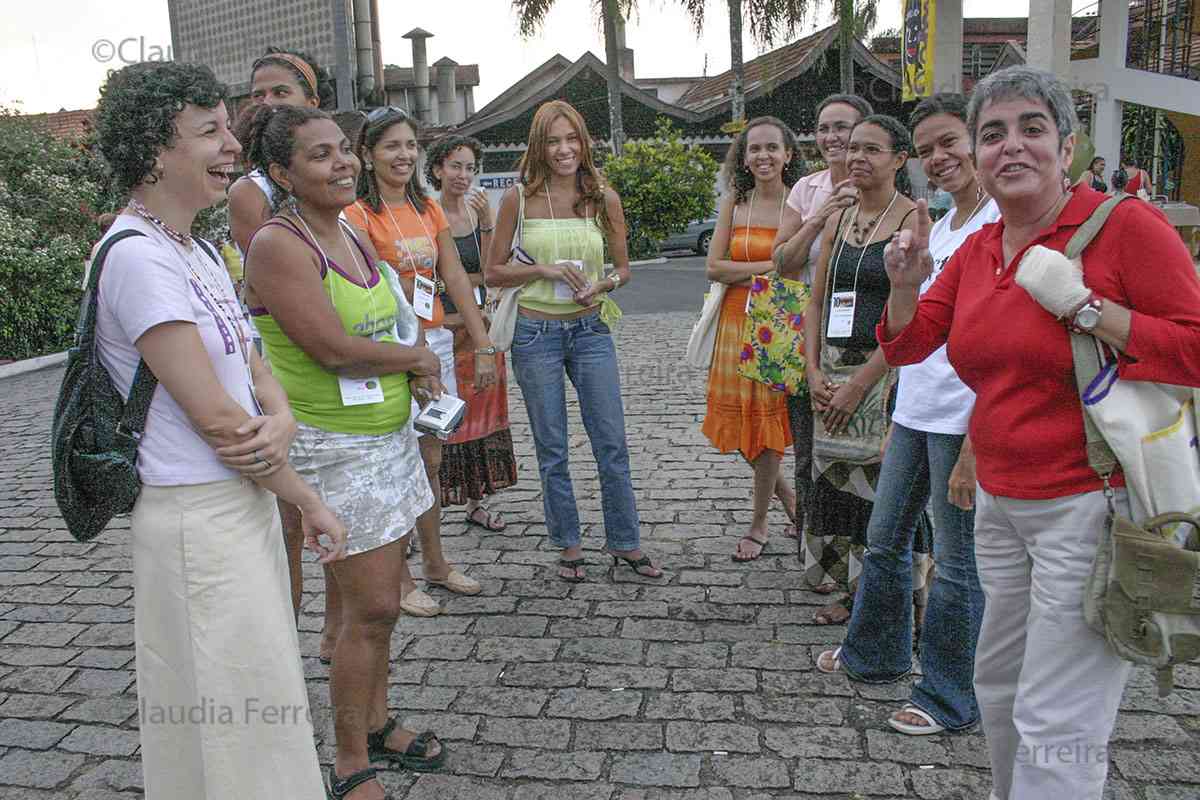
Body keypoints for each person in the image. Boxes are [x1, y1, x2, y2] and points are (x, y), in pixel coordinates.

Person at [880, 65, 1200, 798]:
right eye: (992, 133)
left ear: (1068, 143)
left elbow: (1194, 346)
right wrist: (904, 282)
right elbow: (906, 346)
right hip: (999, 504)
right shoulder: (981, 249)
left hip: (1090, 506)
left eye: (1032, 128)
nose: (1011, 147)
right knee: (997, 687)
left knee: (1058, 715)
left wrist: (1085, 307)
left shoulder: (1123, 227)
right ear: (977, 152)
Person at [92, 61, 346, 799]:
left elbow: (253, 364)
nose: (231, 145)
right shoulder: (137, 258)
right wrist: (308, 499)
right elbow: (222, 423)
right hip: (194, 517)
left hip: (237, 507)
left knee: (246, 703)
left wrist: (287, 416)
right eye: (208, 132)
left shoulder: (197, 248)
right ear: (152, 151)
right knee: (234, 714)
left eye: (226, 128)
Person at [241, 103, 448, 799]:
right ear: (280, 173)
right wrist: (414, 357)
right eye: (320, 155)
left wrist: (417, 374)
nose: (343, 163)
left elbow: (386, 321)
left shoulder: (350, 231)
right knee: (371, 611)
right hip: (335, 452)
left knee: (382, 604)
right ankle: (350, 759)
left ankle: (380, 721)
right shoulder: (279, 244)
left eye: (342, 150)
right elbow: (329, 349)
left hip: (385, 443)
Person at [816, 94, 993, 738]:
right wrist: (898, 408)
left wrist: (977, 440)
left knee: (956, 563)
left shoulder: (998, 226)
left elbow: (997, 345)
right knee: (886, 538)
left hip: (964, 420)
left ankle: (950, 695)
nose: (940, 158)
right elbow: (914, 334)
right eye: (928, 149)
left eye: (951, 142)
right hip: (917, 410)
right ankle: (876, 656)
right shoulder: (940, 227)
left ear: (977, 142)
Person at [484, 100, 661, 582]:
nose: (564, 150)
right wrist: (541, 269)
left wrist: (603, 284)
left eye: (572, 139)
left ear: (584, 142)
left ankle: (625, 542)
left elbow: (622, 269)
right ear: (538, 146)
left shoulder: (603, 197)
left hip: (590, 329)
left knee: (611, 441)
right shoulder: (518, 200)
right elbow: (493, 271)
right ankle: (568, 543)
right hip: (535, 332)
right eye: (553, 141)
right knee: (553, 446)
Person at [345, 106, 496, 614]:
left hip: (433, 349)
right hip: (388, 354)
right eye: (391, 146)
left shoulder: (428, 210)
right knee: (396, 460)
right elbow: (369, 293)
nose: (404, 155)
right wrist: (406, 359)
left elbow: (453, 278)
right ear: (368, 156)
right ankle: (400, 578)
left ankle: (435, 560)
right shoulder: (356, 217)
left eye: (410, 145)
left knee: (432, 457)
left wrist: (483, 341)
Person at [791, 114, 920, 626]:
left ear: (900, 159)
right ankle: (851, 589)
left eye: (872, 150)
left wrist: (861, 383)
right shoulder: (841, 217)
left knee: (880, 486)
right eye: (853, 149)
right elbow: (816, 300)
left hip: (884, 371)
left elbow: (910, 318)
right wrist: (812, 368)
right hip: (831, 368)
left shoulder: (912, 219)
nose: (857, 158)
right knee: (836, 485)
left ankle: (890, 593)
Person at [228, 46, 336, 622]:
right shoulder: (251, 192)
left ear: (311, 103)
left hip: (337, 348)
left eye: (281, 93)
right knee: (291, 514)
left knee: (336, 503)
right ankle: (287, 636)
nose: (266, 103)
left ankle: (333, 633)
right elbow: (275, 289)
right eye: (258, 94)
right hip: (287, 356)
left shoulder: (332, 176)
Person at [772, 95, 871, 551]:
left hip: (865, 337)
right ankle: (814, 551)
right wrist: (820, 216)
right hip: (807, 333)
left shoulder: (888, 191)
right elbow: (782, 262)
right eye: (824, 127)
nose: (833, 138)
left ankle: (859, 548)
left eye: (843, 128)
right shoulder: (805, 190)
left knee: (861, 448)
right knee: (809, 447)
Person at [702, 116, 801, 561]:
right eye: (754, 149)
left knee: (767, 426)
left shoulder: (800, 205)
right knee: (742, 426)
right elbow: (714, 267)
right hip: (734, 322)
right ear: (743, 158)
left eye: (771, 148)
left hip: (777, 323)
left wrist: (767, 271)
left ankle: (759, 522)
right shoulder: (734, 205)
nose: (763, 156)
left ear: (788, 154)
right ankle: (793, 502)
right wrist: (768, 268)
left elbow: (799, 267)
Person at [424, 134, 518, 528]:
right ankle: (422, 516)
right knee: (439, 422)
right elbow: (432, 276)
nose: (462, 175)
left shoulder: (476, 213)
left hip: (480, 328)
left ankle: (475, 502)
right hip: (442, 328)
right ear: (436, 170)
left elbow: (491, 269)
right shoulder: (426, 215)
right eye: (454, 166)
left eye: (469, 168)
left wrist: (486, 223)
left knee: (481, 418)